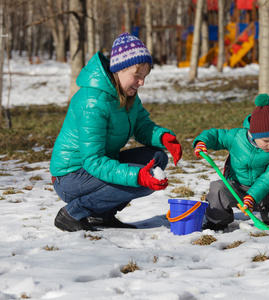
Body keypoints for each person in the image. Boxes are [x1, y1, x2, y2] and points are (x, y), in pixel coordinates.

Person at [50, 32, 182, 232]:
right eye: (137, 76)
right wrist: (137, 176)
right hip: (71, 177)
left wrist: (164, 137)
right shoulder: (92, 102)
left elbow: (141, 125)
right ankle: (72, 214)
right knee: (141, 181)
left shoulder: (127, 94)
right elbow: (92, 161)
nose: (141, 83)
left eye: (144, 77)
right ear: (119, 69)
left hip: (94, 169)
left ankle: (101, 215)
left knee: (156, 159)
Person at [193, 94, 269, 231]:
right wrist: (202, 142)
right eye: (267, 141)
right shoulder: (236, 137)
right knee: (217, 188)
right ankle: (217, 222)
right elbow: (215, 135)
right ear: (253, 134)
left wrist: (252, 196)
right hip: (237, 187)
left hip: (267, 191)